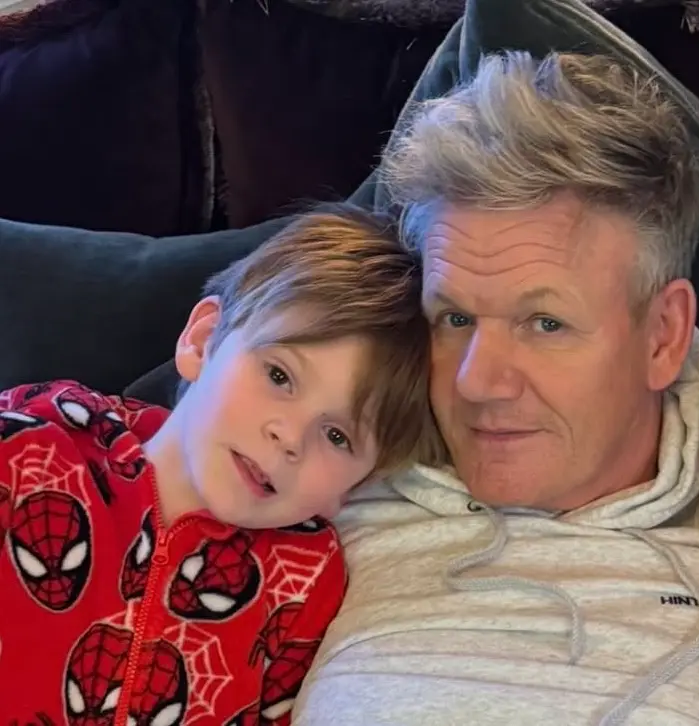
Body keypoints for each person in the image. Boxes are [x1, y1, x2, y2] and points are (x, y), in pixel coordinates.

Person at [292, 52, 699, 725]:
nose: (477, 382)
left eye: (545, 323)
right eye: (455, 319)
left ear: (663, 336)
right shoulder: (324, 470)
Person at [0, 205, 438, 724]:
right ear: (203, 340)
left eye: (338, 436)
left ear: (358, 484)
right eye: (279, 375)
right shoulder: (27, 452)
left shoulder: (306, 584)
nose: (289, 436)